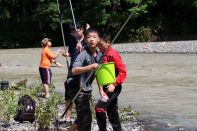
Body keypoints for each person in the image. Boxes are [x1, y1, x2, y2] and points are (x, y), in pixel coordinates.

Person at [67, 28, 102, 131]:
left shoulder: (100, 55)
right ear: (85, 40)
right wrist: (90, 67)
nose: (91, 39)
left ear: (99, 39)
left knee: (83, 115)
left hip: (86, 89)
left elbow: (98, 74)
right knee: (86, 118)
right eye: (88, 37)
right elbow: (73, 70)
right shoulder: (83, 54)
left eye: (94, 37)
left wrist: (101, 89)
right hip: (77, 88)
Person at [95, 34, 127, 131]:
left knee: (99, 107)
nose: (99, 47)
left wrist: (114, 84)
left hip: (114, 87)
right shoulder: (101, 54)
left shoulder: (113, 54)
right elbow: (99, 72)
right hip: (105, 87)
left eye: (101, 45)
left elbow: (123, 72)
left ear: (108, 43)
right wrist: (100, 89)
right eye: (98, 46)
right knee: (112, 111)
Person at [61, 22, 90, 128]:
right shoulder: (72, 40)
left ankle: (80, 118)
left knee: (80, 96)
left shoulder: (88, 40)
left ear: (82, 29)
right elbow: (72, 53)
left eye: (76, 31)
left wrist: (81, 50)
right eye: (72, 32)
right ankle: (67, 120)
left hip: (82, 71)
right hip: (72, 69)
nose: (74, 34)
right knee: (68, 95)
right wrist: (67, 54)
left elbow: (90, 55)